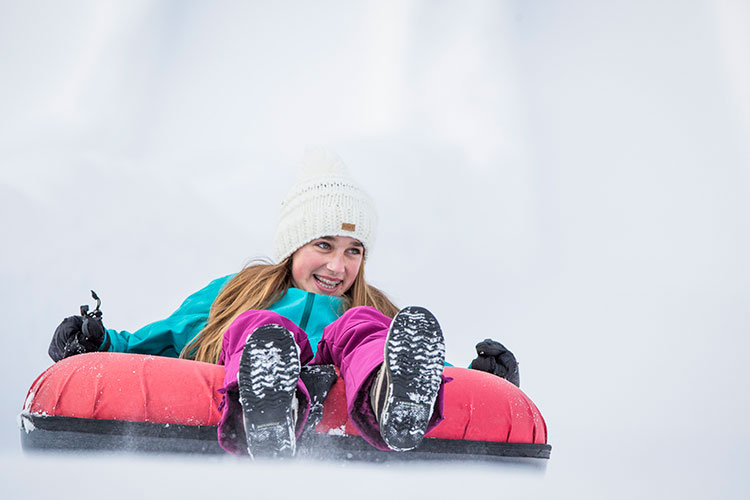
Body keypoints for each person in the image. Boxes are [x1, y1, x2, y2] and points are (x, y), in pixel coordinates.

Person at [48, 149, 519, 459]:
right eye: (324, 245)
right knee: (260, 328)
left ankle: (388, 400)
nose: (339, 266)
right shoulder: (243, 291)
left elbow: (411, 356)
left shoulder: (368, 305)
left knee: (366, 327)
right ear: (293, 245)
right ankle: (271, 404)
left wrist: (481, 377)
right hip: (263, 361)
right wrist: (99, 342)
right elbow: (169, 334)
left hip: (349, 365)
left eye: (353, 251)